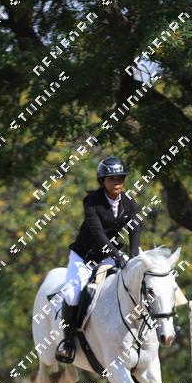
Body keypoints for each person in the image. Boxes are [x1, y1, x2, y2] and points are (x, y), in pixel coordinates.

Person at [56, 156, 143, 364]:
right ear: (102, 181)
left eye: (120, 178)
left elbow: (135, 230)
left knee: (138, 280)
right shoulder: (92, 202)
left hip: (108, 257)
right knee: (72, 294)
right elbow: (98, 234)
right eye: (112, 179)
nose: (117, 182)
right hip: (84, 257)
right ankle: (68, 340)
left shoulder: (129, 203)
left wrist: (133, 257)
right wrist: (117, 255)